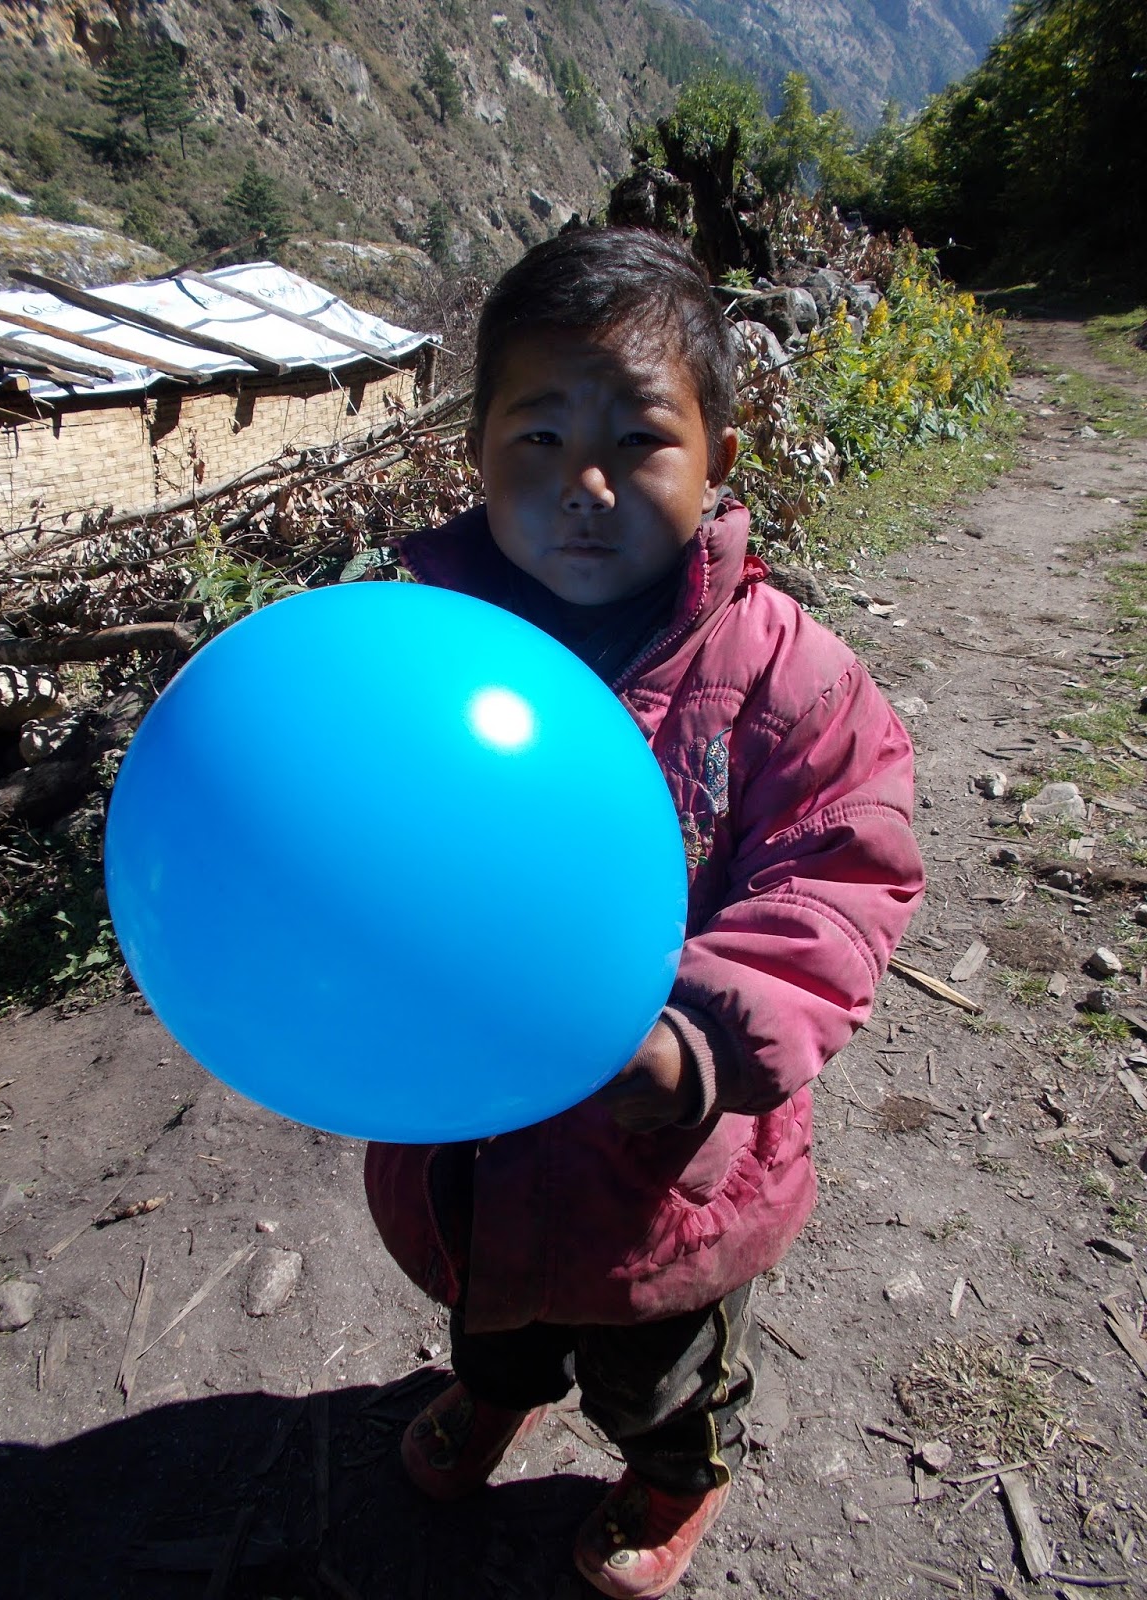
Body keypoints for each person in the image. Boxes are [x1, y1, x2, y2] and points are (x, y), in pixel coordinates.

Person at [364, 227, 924, 1599]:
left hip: (667, 1168)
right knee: (489, 1310)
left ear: (718, 458)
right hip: (472, 1134)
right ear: (476, 454)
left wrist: (695, 1044)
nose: (586, 485)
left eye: (638, 439)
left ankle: (674, 1476)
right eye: (539, 438)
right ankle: (497, 1392)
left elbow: (839, 878)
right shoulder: (415, 665)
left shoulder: (784, 676)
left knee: (661, 1367)